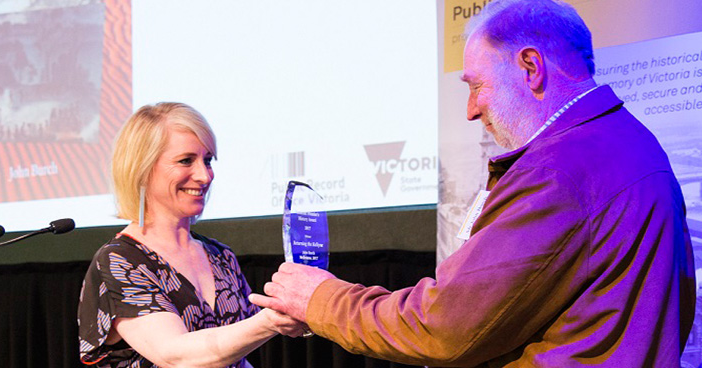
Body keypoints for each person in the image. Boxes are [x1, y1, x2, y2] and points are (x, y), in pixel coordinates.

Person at [250, 0, 696, 366]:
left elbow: (444, 327)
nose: (470, 110)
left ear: (530, 67)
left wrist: (323, 299)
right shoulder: (635, 143)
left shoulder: (555, 170)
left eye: (476, 86)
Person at [78, 102, 305, 367]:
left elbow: (234, 359)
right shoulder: (119, 261)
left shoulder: (220, 256)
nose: (204, 175)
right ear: (142, 168)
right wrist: (270, 320)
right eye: (186, 160)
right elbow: (176, 357)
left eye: (207, 160)